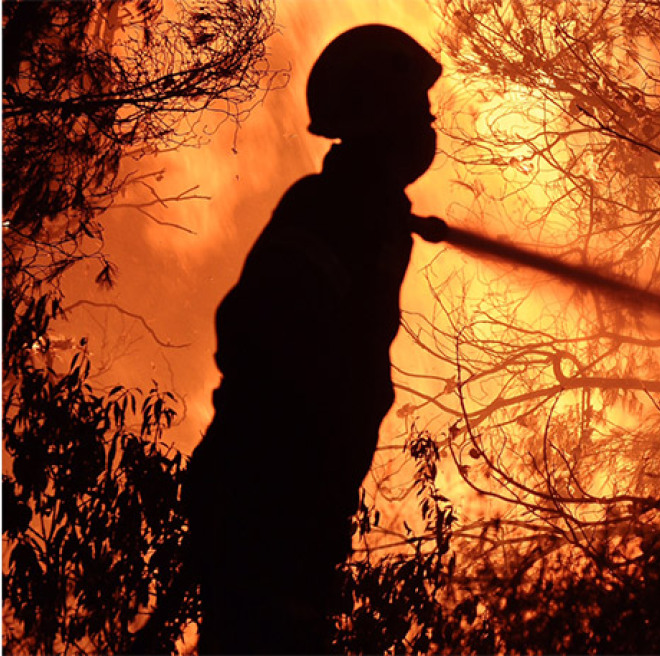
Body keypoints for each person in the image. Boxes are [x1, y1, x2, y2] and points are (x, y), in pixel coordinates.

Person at [182, 25, 442, 654]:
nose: (430, 128)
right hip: (264, 506)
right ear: (380, 115)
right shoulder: (327, 210)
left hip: (302, 510)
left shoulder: (378, 225)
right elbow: (257, 332)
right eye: (419, 111)